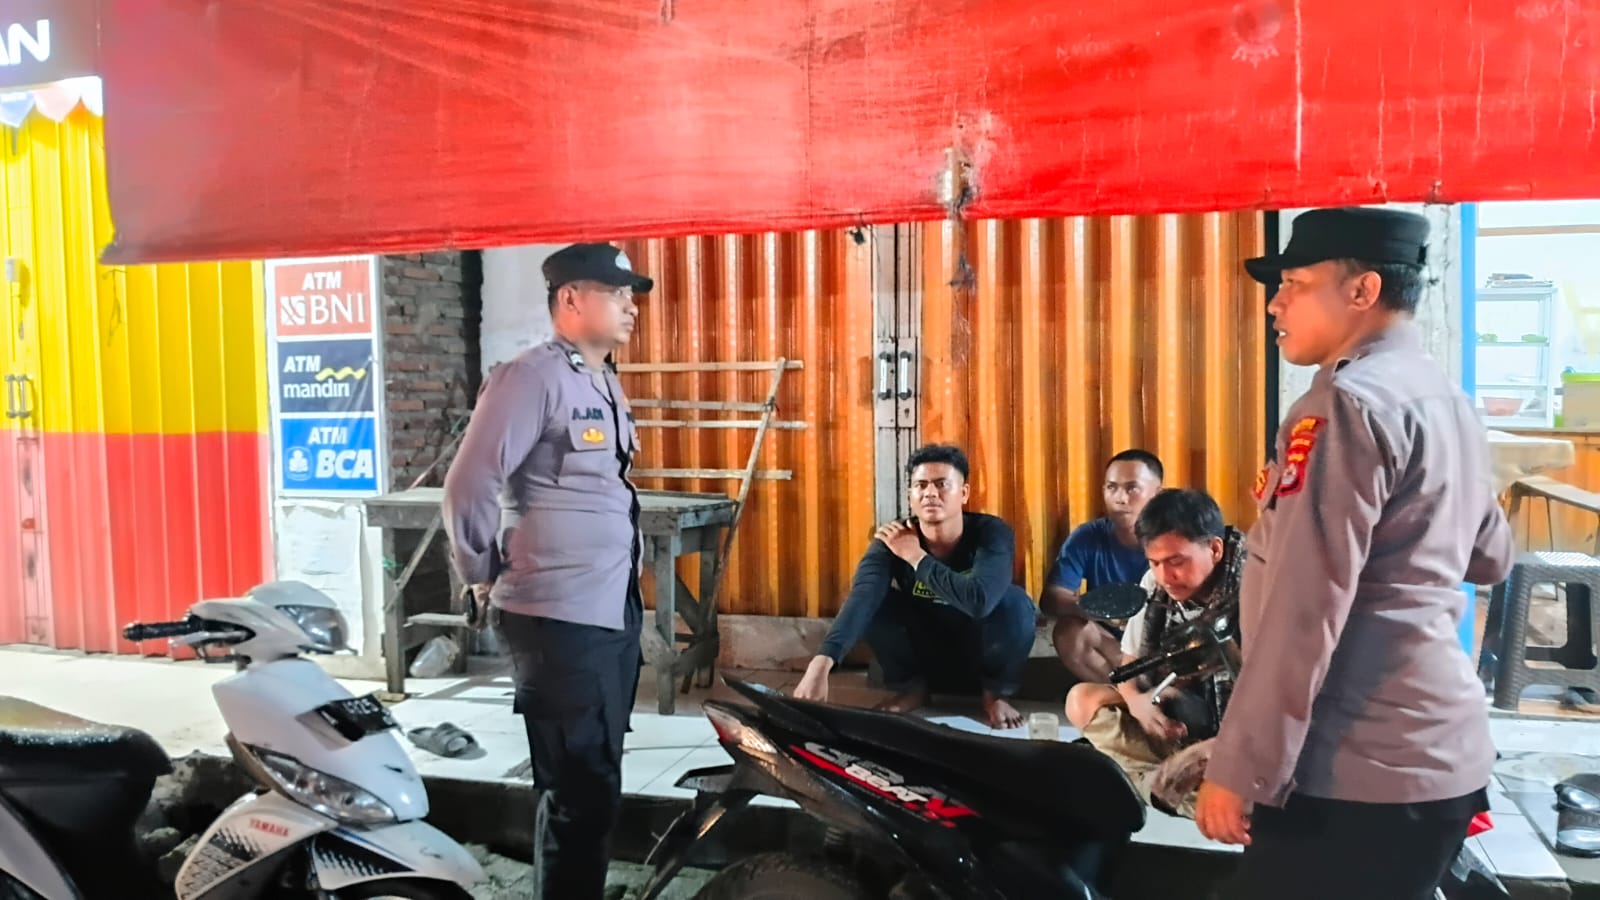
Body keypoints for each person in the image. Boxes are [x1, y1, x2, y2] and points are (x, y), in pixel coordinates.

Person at [1193, 207, 1515, 900]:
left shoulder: (1345, 406)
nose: (1275, 303)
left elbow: (1303, 611)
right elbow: (1490, 555)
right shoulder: (1446, 399)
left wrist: (1241, 767)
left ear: (1363, 290)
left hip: (1360, 768)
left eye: (1295, 283)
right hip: (1440, 751)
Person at [442, 242, 653, 900]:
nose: (631, 307)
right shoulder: (529, 377)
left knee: (592, 781)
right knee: (579, 791)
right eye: (615, 293)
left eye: (631, 295)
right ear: (570, 300)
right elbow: (468, 484)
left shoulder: (601, 380)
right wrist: (479, 569)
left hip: (606, 608)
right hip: (556, 615)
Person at [793, 444, 1038, 729]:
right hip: (924, 652)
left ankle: (995, 695)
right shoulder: (892, 538)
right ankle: (912, 689)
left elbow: (979, 600)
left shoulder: (991, 533)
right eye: (920, 485)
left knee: (1015, 602)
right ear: (910, 495)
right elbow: (862, 596)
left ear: (964, 493)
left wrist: (914, 556)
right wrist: (821, 664)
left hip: (980, 651)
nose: (930, 493)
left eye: (941, 484)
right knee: (875, 602)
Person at [1062, 488, 1245, 817]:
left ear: (1215, 549)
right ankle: (1173, 789)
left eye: (1176, 561)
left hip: (1243, 735)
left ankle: (1154, 785)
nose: (1165, 576)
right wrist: (1140, 706)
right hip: (1183, 720)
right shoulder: (1155, 584)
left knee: (1255, 790)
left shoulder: (1258, 587)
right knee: (1082, 700)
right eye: (1154, 562)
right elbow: (1130, 664)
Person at [1044, 449, 1165, 683]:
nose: (1120, 498)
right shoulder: (1088, 536)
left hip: (1160, 646)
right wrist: (1103, 611)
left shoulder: (1173, 539)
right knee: (1069, 632)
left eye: (1132, 488)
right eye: (1112, 487)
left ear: (1157, 494)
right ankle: (1125, 695)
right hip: (1113, 647)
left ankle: (1149, 690)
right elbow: (1052, 598)